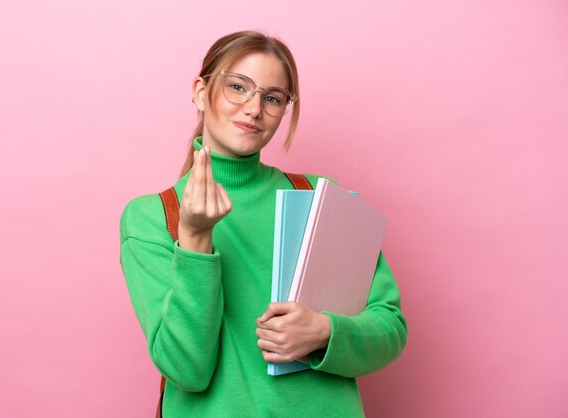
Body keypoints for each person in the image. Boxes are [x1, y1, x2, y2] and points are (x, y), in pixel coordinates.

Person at [119, 30, 407, 417]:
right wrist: (196, 240)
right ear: (201, 91)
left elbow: (390, 328)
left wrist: (324, 331)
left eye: (272, 97)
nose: (254, 108)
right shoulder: (154, 217)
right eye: (238, 87)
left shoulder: (320, 197)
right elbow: (188, 371)